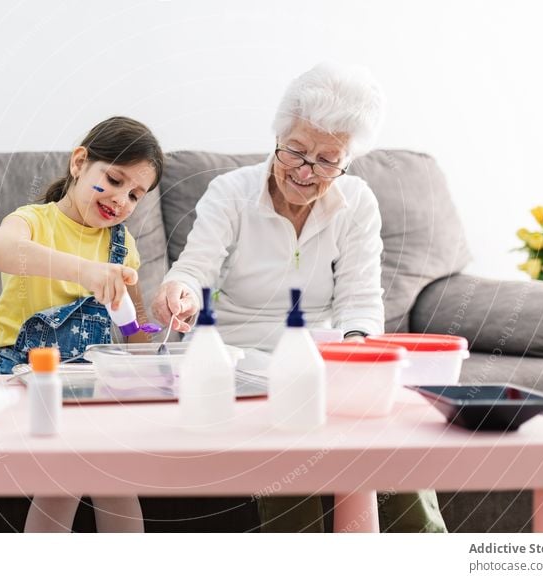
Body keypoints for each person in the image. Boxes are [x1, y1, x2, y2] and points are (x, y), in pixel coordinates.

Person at [152, 63, 446, 533]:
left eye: (328, 160)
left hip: (321, 353)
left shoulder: (357, 202)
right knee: (292, 418)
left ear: (347, 161)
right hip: (238, 354)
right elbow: (194, 270)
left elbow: (361, 301)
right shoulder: (231, 192)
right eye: (296, 150)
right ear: (277, 138)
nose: (306, 171)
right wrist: (178, 292)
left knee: (387, 426)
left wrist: (356, 355)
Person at [0, 116, 163, 533]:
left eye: (135, 194)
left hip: (90, 384)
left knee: (114, 478)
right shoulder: (33, 222)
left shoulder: (121, 245)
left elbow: (132, 328)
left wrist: (152, 340)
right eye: (115, 180)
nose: (121, 200)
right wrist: (84, 270)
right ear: (80, 162)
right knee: (62, 479)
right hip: (29, 377)